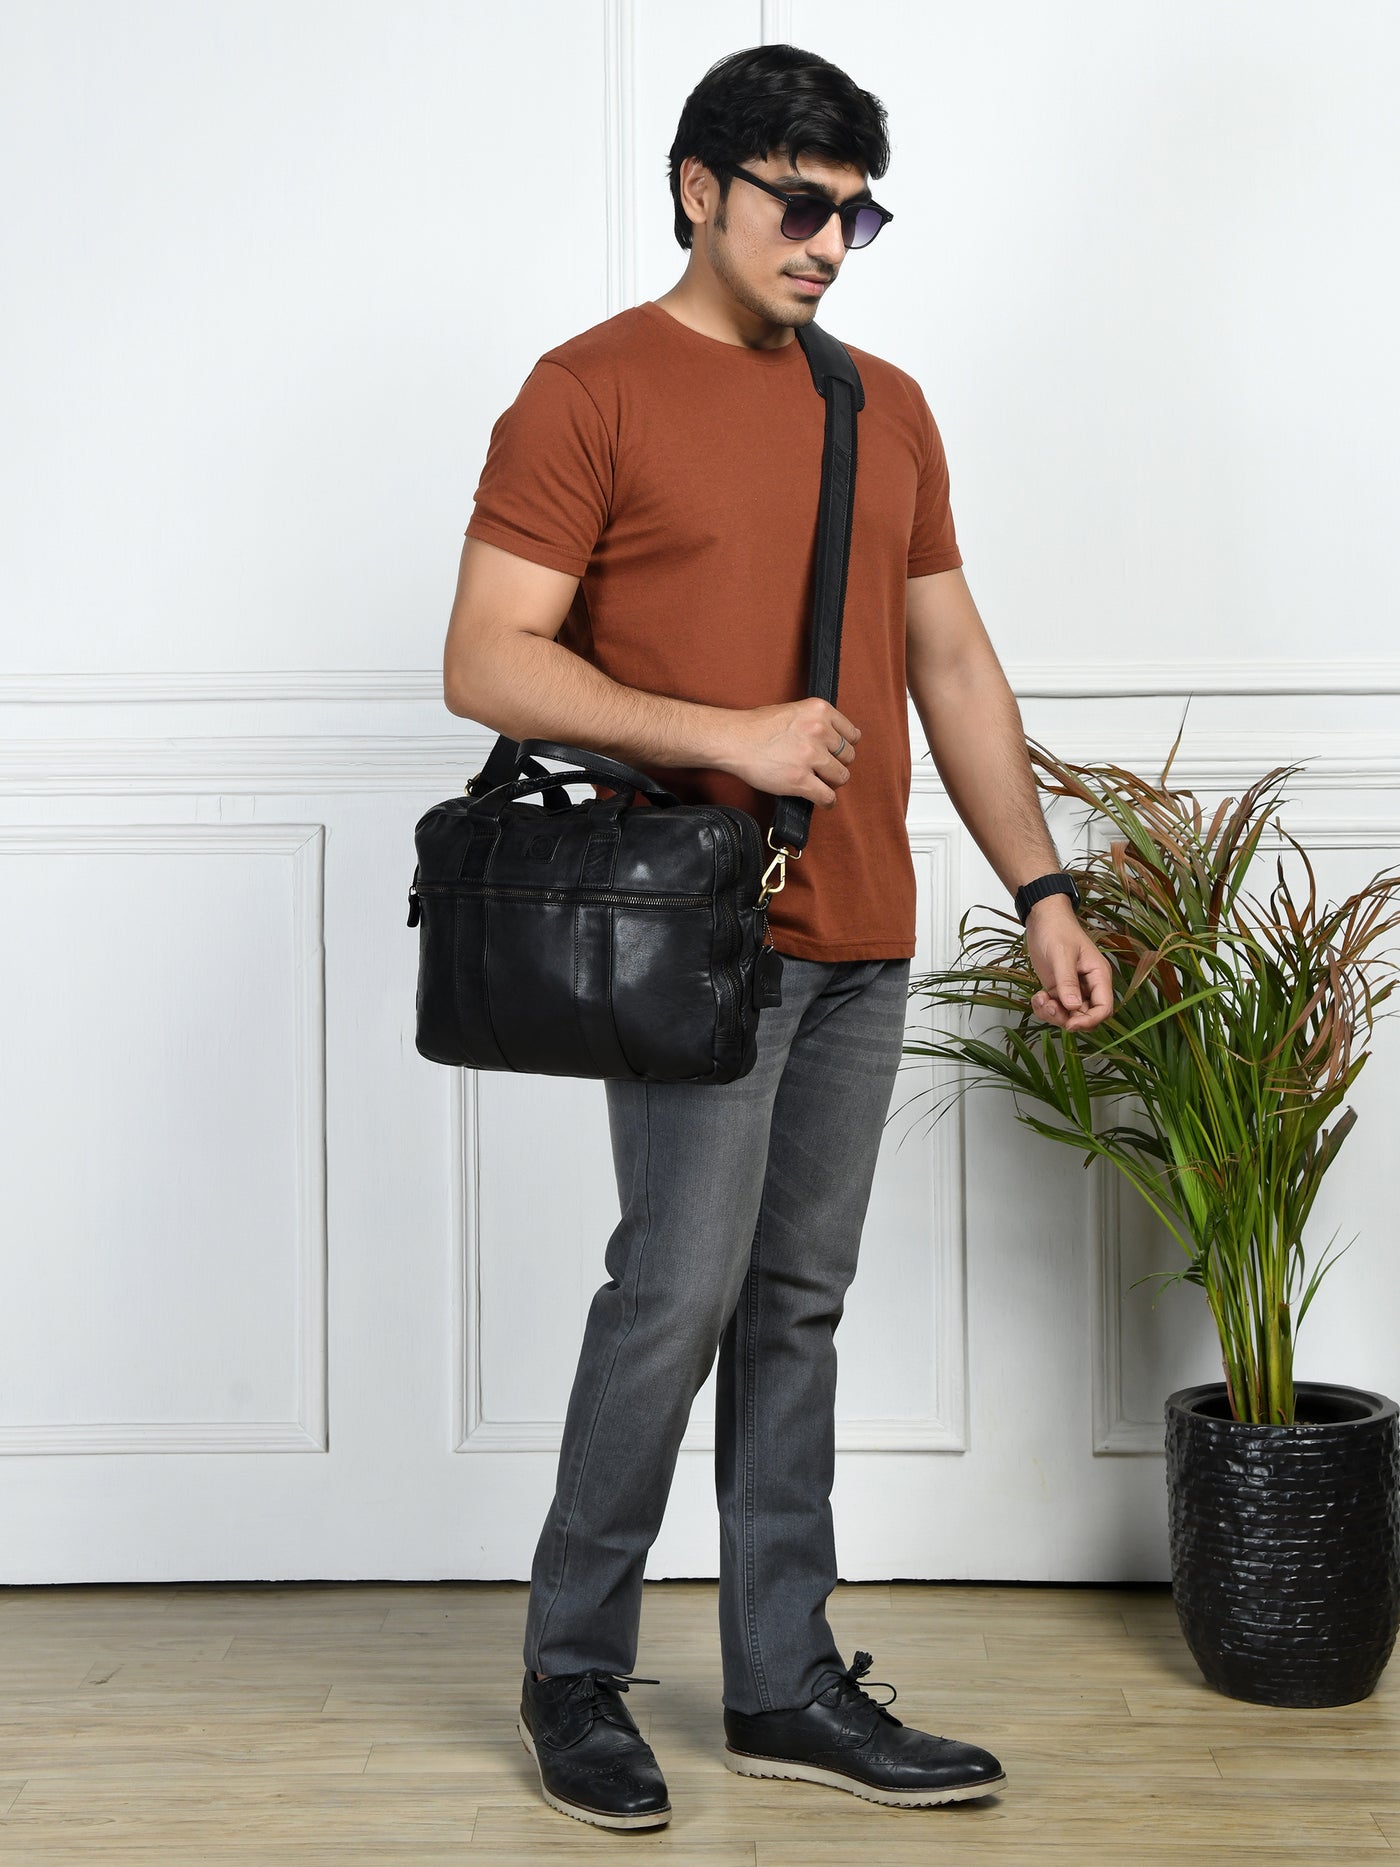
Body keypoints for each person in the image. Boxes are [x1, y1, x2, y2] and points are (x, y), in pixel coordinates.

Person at [441, 41, 1113, 1833]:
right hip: (694, 942)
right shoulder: (586, 391)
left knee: (798, 1306)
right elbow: (486, 659)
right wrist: (724, 735)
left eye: (855, 217)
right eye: (800, 205)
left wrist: (1042, 888)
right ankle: (573, 1670)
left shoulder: (883, 404)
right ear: (700, 188)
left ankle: (780, 1679)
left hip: (864, 923)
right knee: (675, 1292)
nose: (827, 244)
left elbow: (950, 660)